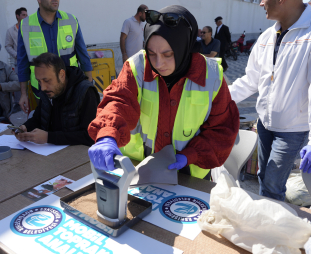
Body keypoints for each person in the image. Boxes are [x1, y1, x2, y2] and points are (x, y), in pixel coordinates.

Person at [88, 6, 240, 180]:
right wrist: (108, 133)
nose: (159, 63)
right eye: (151, 53)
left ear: (185, 47)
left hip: (190, 173)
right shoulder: (136, 66)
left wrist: (191, 154)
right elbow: (118, 100)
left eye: (168, 54)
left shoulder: (211, 75)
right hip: (139, 169)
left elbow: (222, 128)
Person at [230, 0, 311, 201]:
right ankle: (267, 220)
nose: (260, 3)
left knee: (273, 185)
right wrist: (216, 100)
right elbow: (250, 80)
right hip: (265, 124)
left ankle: (273, 228)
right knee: (263, 177)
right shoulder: (267, 36)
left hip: (292, 130)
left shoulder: (308, 35)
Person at [17, 0, 93, 113]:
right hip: (42, 89)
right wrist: (23, 94)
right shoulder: (25, 25)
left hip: (70, 86)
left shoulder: (71, 20)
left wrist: (89, 84)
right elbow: (22, 62)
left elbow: (83, 56)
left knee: (72, 125)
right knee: (47, 125)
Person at [14, 53, 99, 146]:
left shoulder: (86, 92)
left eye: (47, 80)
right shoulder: (47, 91)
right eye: (39, 81)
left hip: (78, 156)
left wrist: (48, 137)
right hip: (49, 152)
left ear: (62, 75)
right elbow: (38, 118)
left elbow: (90, 136)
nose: (42, 87)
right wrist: (25, 127)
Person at [5, 7, 27, 108]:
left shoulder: (30, 28)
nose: (26, 17)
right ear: (17, 16)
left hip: (30, 59)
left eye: (26, 15)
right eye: (23, 15)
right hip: (18, 60)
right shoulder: (11, 30)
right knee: (19, 80)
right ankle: (18, 103)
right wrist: (17, 55)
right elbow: (8, 45)